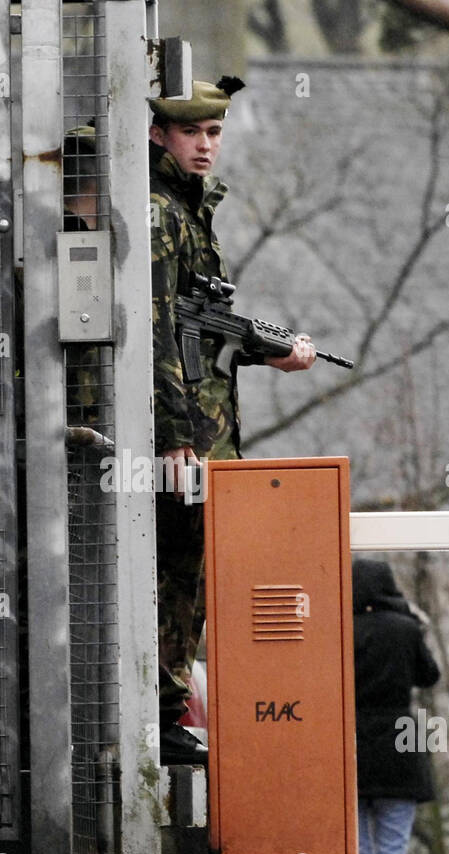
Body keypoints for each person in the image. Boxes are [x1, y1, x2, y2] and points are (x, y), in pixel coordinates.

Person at [149, 78, 318, 765]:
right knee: (173, 575)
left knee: (194, 575)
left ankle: (167, 712)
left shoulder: (192, 212)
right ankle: (157, 716)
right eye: (193, 133)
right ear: (161, 135)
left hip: (209, 432)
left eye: (215, 134)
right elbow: (156, 332)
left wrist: (266, 349)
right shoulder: (161, 213)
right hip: (189, 436)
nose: (206, 146)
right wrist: (175, 438)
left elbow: (199, 326)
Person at [351, 558, 441, 854]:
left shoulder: (342, 630)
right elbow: (429, 675)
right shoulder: (405, 629)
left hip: (353, 745)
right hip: (400, 743)